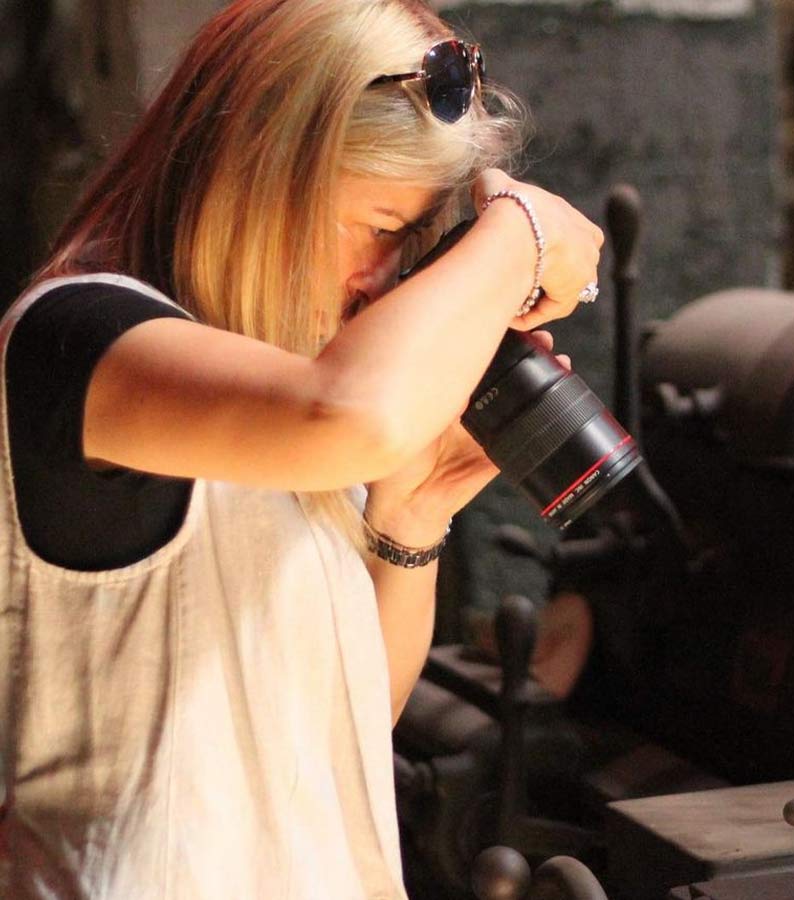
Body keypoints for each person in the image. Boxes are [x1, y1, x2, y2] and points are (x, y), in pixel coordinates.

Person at [0, 0, 603, 897]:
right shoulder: (78, 338)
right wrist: (518, 230)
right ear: (259, 176)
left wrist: (411, 514)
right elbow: (349, 417)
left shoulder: (283, 383)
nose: (384, 278)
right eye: (382, 227)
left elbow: (345, 728)